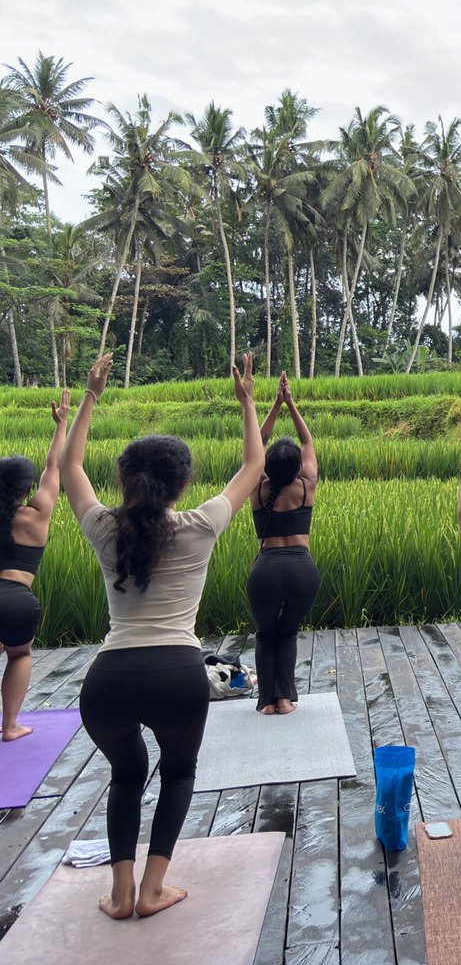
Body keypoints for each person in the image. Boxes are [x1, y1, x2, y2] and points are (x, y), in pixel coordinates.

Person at [62, 352, 263, 919]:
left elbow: (69, 465)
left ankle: (121, 894)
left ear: (125, 481)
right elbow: (253, 464)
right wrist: (247, 402)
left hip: (109, 682)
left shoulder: (104, 528)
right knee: (178, 771)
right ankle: (152, 890)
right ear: (182, 485)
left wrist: (91, 396)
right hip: (177, 675)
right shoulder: (200, 526)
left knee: (126, 773)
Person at [249, 372, 320, 715]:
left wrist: (274, 404)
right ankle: (286, 699)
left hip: (266, 569)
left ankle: (266, 703)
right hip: (302, 569)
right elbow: (307, 443)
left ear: (266, 466)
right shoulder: (306, 485)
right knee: (288, 633)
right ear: (295, 468)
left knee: (266, 635)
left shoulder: (257, 488)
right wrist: (290, 402)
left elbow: (256, 442)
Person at [1, 389, 69, 742]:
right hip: (17, 598)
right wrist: (61, 425)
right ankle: (10, 726)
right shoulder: (38, 511)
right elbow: (54, 467)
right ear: (27, 486)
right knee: (19, 654)